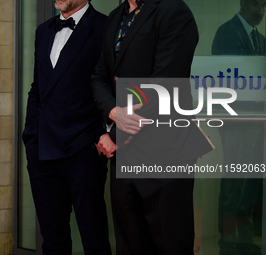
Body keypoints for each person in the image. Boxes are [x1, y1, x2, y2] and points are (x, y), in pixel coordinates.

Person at [92, 0, 213, 254]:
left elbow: (163, 83)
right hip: (125, 160)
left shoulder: (175, 12)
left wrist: (115, 135)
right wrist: (113, 112)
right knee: (129, 245)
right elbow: (99, 76)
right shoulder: (117, 16)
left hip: (165, 155)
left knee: (169, 243)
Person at [22, 0, 111, 254]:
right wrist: (31, 135)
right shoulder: (43, 30)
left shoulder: (104, 27)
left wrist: (102, 133)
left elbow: (109, 85)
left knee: (94, 237)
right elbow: (37, 89)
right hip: (43, 150)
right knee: (52, 240)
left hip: (83, 148)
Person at [212, 1, 265, 254]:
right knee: (235, 176)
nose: (261, 10)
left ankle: (243, 237)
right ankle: (230, 239)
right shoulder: (227, 32)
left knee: (251, 177)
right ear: (244, 3)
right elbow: (230, 79)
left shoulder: (260, 39)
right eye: (256, 4)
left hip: (257, 121)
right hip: (236, 120)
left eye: (264, 5)